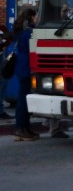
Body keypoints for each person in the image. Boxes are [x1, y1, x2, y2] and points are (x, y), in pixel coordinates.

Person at [13, 8, 39, 141]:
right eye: (36, 16)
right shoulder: (29, 33)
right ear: (31, 17)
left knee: (24, 99)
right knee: (24, 100)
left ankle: (25, 128)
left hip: (22, 68)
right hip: (26, 69)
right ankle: (21, 129)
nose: (37, 19)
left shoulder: (21, 31)